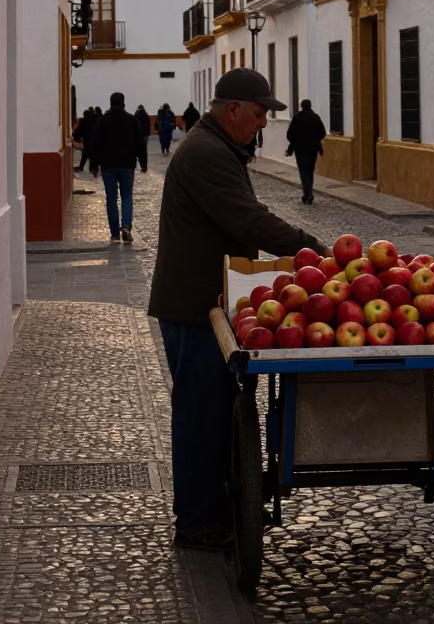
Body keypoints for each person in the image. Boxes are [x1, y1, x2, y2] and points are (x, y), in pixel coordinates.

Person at [148, 68, 329, 553]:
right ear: (232, 110)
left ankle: (219, 506)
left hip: (210, 303)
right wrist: (314, 251)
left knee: (216, 411)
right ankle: (197, 521)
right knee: (200, 414)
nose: (262, 124)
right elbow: (248, 221)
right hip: (194, 308)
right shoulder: (208, 153)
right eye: (257, 114)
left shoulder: (217, 147)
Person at [89, 92, 148, 243]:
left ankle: (115, 232)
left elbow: (95, 144)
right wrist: (143, 162)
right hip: (127, 165)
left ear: (110, 103)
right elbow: (140, 143)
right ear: (123, 103)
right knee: (127, 196)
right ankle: (126, 226)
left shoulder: (102, 121)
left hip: (108, 165)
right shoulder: (132, 120)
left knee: (111, 199)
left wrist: (94, 165)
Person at [286, 98, 327, 204]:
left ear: (302, 106)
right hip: (312, 148)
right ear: (310, 106)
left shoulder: (297, 118)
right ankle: (309, 193)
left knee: (303, 171)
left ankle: (307, 193)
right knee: (309, 170)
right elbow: (322, 133)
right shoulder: (315, 118)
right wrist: (314, 139)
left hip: (300, 149)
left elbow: (290, 134)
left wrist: (295, 142)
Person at [72, 107, 97, 172]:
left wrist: (80, 137)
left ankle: (81, 167)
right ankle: (92, 169)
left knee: (85, 155)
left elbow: (80, 131)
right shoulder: (95, 120)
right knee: (92, 155)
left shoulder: (83, 120)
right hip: (93, 139)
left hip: (86, 139)